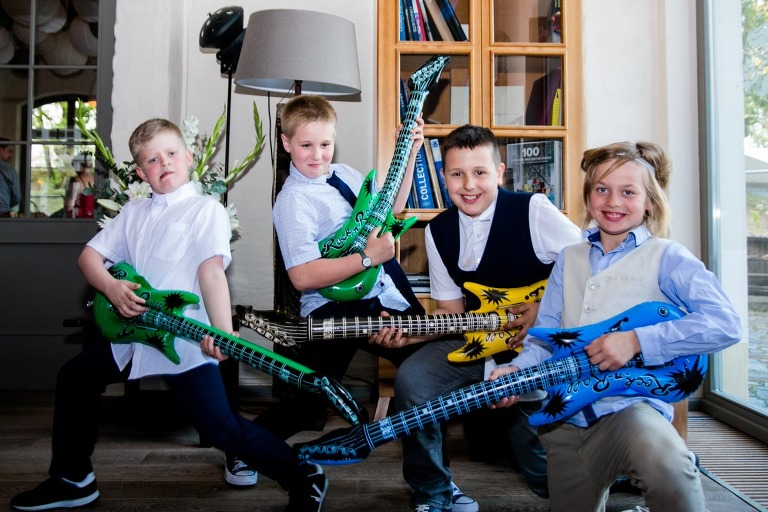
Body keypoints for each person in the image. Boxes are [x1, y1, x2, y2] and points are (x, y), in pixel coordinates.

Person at [10, 118, 328, 512]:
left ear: (190, 157)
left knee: (219, 427)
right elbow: (88, 257)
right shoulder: (134, 212)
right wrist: (111, 287)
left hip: (184, 338)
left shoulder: (205, 210)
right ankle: (72, 478)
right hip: (133, 334)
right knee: (74, 378)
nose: (165, 163)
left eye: (172, 153)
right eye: (152, 160)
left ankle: (303, 474)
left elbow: (210, 273)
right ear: (141, 173)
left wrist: (223, 334)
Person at [222, 94, 487, 509]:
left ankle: (435, 485)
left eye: (324, 144)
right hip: (331, 309)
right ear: (286, 142)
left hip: (384, 292)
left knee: (425, 382)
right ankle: (245, 445)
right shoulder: (292, 201)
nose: (317, 154)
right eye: (306, 145)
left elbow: (389, 215)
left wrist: (412, 150)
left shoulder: (344, 174)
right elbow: (301, 275)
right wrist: (367, 257)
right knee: (310, 401)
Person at [489, 141, 742, 512]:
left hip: (631, 409)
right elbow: (545, 341)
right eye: (601, 189)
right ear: (589, 196)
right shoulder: (568, 258)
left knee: (672, 471)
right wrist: (515, 371)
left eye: (628, 192)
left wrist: (638, 340)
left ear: (649, 202)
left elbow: (726, 323)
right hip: (564, 424)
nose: (613, 202)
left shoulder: (668, 257)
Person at [369, 124, 583, 512]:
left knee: (544, 479)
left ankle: (623, 471)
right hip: (479, 343)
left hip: (537, 348)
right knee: (413, 378)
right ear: (444, 177)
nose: (468, 184)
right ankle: (432, 492)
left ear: (500, 173)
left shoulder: (534, 209)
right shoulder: (438, 231)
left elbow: (590, 266)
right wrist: (410, 338)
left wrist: (543, 307)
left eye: (480, 172)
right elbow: (451, 316)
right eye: (456, 173)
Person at [64, 153, 96, 218]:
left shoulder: (75, 180)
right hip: (92, 218)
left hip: (78, 219)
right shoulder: (97, 180)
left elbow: (69, 205)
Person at [0, 137, 21, 217]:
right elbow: (16, 197)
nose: (11, 156)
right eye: (9, 151)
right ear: (0, 149)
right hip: (2, 212)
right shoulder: (9, 169)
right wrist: (6, 203)